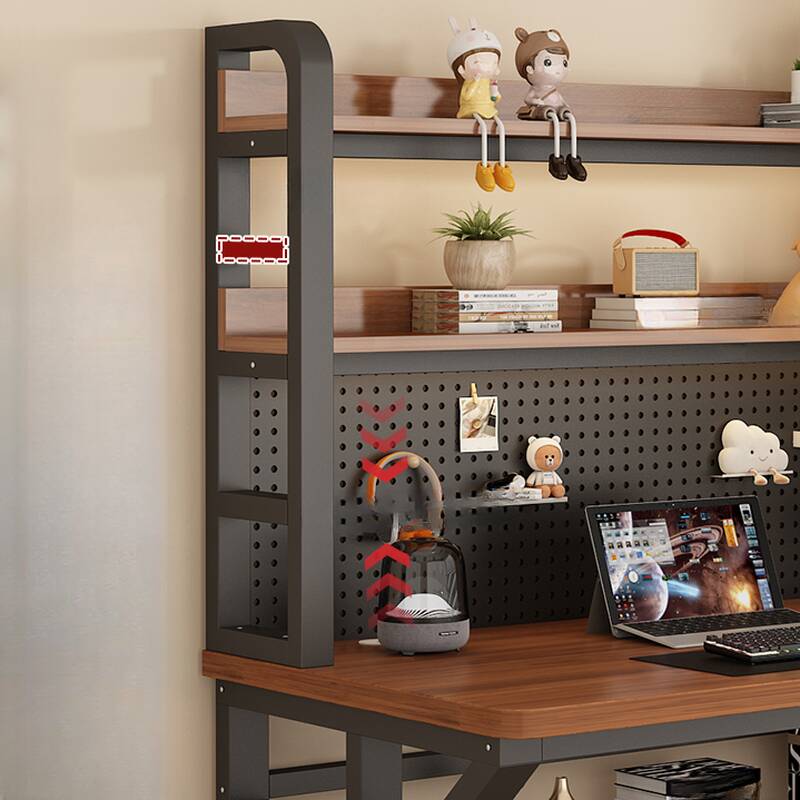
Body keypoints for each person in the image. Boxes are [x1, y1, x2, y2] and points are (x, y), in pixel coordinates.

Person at [447, 17, 515, 192]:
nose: (486, 67)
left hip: (489, 110)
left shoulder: (490, 82)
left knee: (500, 127)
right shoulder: (471, 82)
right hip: (472, 110)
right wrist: (475, 83)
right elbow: (467, 96)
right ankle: (483, 169)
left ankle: (502, 168)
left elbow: (495, 97)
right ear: (461, 70)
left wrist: (495, 96)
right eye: (478, 62)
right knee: (484, 130)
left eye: (492, 62)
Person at [514, 27, 587, 182]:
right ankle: (556, 158)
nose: (558, 70)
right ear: (529, 68)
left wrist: (565, 107)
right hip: (546, 111)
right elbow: (529, 99)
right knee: (552, 116)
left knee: (570, 120)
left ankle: (573, 159)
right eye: (548, 62)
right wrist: (536, 102)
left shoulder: (555, 92)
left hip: (557, 110)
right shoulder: (536, 90)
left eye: (563, 63)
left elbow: (561, 101)